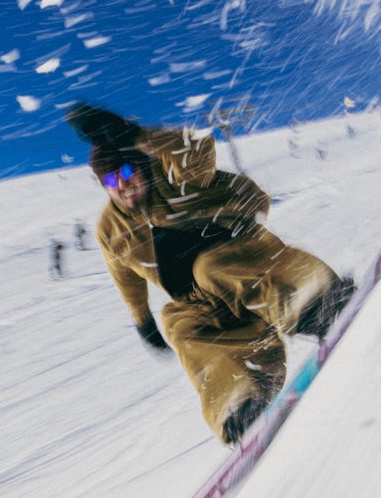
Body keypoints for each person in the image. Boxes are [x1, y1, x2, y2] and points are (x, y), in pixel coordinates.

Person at [67, 102, 355, 445]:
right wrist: (143, 320)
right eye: (112, 181)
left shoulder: (172, 174)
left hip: (241, 255)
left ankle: (314, 300)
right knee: (179, 323)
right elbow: (123, 275)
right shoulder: (110, 229)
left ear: (140, 168)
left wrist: (138, 136)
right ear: (104, 186)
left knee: (211, 267)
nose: (124, 186)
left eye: (128, 173)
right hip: (200, 298)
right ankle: (240, 400)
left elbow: (199, 148)